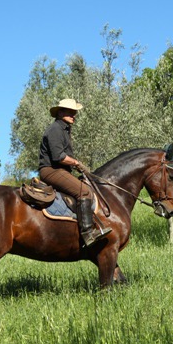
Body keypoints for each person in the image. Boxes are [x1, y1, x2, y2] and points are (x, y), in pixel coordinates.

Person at [38, 98, 111, 247]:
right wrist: (76, 163)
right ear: (60, 113)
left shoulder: (63, 129)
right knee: (84, 191)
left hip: (60, 170)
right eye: (70, 112)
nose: (74, 115)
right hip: (51, 170)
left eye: (74, 112)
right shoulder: (55, 130)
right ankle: (88, 233)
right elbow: (58, 156)